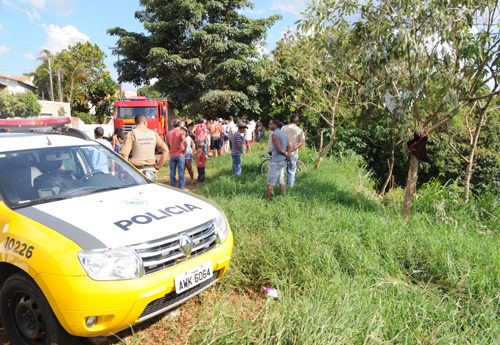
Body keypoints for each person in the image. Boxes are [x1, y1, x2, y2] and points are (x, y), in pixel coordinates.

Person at [120, 113, 169, 178]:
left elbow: (124, 155)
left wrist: (126, 171)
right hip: (152, 172)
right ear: (145, 122)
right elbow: (166, 150)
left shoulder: (131, 134)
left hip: (137, 172)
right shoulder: (154, 134)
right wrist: (158, 166)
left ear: (135, 123)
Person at [266, 118, 291, 201]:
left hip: (276, 161)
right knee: (281, 181)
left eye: (270, 124)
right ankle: (284, 198)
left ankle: (268, 201)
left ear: (275, 125)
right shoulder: (283, 134)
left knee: (270, 182)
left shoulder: (274, 134)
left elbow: (278, 149)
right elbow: (289, 146)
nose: (268, 125)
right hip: (283, 161)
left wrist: (286, 154)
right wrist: (287, 155)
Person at [281, 114, 306, 187]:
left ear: (289, 120)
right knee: (291, 172)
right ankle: (289, 188)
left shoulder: (283, 128)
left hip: (283, 152)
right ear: (297, 121)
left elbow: (280, 139)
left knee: (281, 172)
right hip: (293, 154)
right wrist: (293, 148)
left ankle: (281, 188)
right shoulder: (299, 130)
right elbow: (301, 142)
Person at [166, 119, 187, 189]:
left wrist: (169, 151)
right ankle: (182, 186)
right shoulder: (181, 132)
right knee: (181, 171)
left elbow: (166, 144)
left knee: (172, 172)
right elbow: (185, 141)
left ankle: (173, 185)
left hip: (172, 155)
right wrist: (185, 149)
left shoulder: (168, 133)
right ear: (180, 125)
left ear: (172, 125)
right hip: (180, 154)